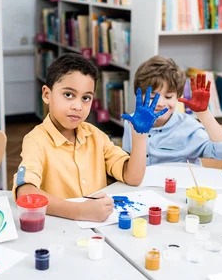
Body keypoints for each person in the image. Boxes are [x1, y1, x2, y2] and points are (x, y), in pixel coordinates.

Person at [12, 53, 165, 222]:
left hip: (98, 230)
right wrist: (79, 211)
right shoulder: (35, 141)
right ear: (47, 94)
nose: (77, 106)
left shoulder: (96, 136)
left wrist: (140, 136)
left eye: (86, 98)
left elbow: (133, 177)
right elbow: (24, 193)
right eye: (68, 95)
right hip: (60, 230)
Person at [122, 56, 222, 165]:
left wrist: (204, 114)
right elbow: (126, 162)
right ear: (138, 96)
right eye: (152, 98)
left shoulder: (188, 127)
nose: (160, 104)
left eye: (168, 97)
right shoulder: (130, 123)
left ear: (177, 97)